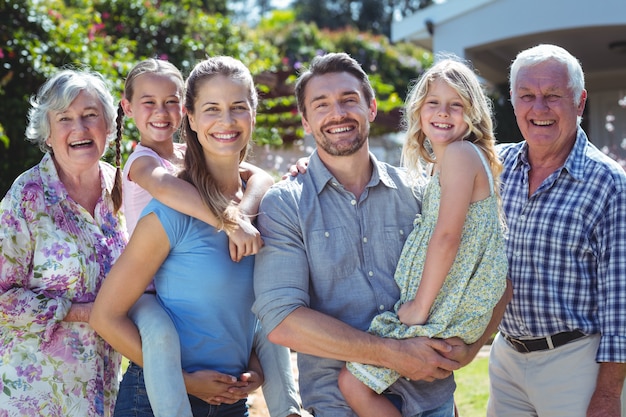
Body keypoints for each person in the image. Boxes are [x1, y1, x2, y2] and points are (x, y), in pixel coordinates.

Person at [252, 52, 511, 417]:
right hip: (340, 405)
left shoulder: (419, 192)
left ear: (371, 108)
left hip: (432, 400)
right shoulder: (286, 204)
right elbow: (283, 322)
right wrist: (393, 353)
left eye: (348, 100)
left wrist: (470, 348)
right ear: (306, 121)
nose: (337, 113)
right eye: (321, 105)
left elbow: (488, 268)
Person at [90, 56, 300, 417]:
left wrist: (255, 365)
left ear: (254, 112)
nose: (227, 121)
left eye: (238, 107)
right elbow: (105, 317)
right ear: (193, 117)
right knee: (158, 327)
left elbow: (244, 306)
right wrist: (186, 380)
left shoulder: (271, 207)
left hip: (233, 402)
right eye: (212, 109)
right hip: (156, 399)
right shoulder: (169, 202)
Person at [336, 57, 508, 417]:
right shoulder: (447, 163)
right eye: (434, 103)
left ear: (472, 114)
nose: (443, 112)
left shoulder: (460, 155)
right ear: (419, 110)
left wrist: (419, 308)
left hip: (442, 307)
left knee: (352, 385)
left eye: (455, 105)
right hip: (450, 306)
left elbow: (447, 238)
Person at [487, 44, 626, 417]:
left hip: (575, 363)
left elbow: (621, 302)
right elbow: (426, 188)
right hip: (506, 359)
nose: (539, 109)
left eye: (552, 96)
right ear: (514, 102)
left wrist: (609, 394)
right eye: (527, 96)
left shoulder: (609, 183)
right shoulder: (494, 166)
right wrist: (315, 163)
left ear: (580, 103)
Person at [0, 69, 126, 416]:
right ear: (49, 134)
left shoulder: (124, 188)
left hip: (105, 392)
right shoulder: (26, 197)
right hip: (34, 395)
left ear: (107, 124)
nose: (80, 129)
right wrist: (85, 313)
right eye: (65, 119)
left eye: (90, 116)